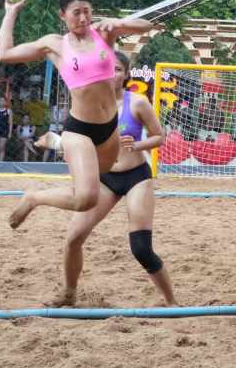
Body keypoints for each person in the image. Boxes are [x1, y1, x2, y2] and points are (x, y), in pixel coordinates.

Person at [0, 0, 155, 228]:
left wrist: (119, 22)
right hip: (81, 128)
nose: (82, 18)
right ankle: (34, 197)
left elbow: (147, 25)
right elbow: (4, 53)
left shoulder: (104, 33)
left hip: (110, 127)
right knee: (86, 198)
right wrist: (11, 13)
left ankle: (58, 142)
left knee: (105, 174)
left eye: (86, 11)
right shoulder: (56, 44)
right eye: (75, 13)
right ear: (63, 15)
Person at [52, 52, 176, 307]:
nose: (112, 74)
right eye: (107, 69)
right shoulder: (88, 106)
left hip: (135, 177)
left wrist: (138, 144)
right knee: (74, 238)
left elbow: (160, 137)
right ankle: (69, 294)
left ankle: (172, 301)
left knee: (141, 249)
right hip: (105, 177)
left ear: (126, 74)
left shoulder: (137, 103)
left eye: (118, 69)